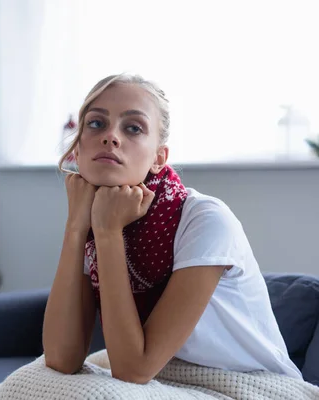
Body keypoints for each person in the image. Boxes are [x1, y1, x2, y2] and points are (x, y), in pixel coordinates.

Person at [41, 73, 303, 385]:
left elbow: (132, 370)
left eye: (133, 128)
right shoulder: (95, 218)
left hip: (252, 383)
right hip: (166, 379)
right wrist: (76, 227)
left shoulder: (205, 220)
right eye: (96, 123)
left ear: (158, 158)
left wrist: (109, 233)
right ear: (78, 150)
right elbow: (61, 358)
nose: (111, 136)